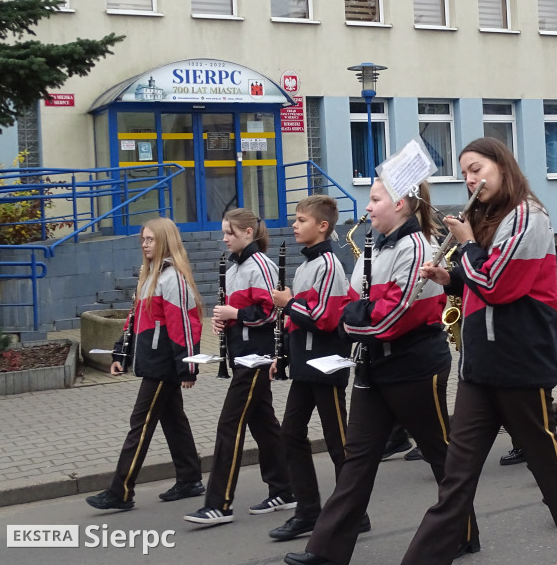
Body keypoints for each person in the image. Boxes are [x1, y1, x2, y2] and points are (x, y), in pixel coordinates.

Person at [399, 137, 557, 565]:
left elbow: (499, 286)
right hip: (480, 367)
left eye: (477, 169)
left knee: (552, 472)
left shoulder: (528, 217)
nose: (470, 180)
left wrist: (465, 245)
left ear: (501, 166)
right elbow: (482, 281)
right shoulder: (492, 218)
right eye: (464, 173)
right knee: (455, 481)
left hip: (518, 364)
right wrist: (450, 279)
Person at [285, 182, 479, 565]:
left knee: (441, 455)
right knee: (356, 460)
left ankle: (464, 532)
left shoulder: (418, 247)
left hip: (415, 366)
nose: (368, 208)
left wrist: (351, 320)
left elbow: (388, 318)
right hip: (373, 364)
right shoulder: (375, 246)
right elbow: (357, 308)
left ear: (402, 204)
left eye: (375, 200)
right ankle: (325, 551)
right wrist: (354, 318)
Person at [86, 218, 204, 511]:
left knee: (140, 425)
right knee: (173, 420)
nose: (145, 244)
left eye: (150, 239)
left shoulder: (172, 278)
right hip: (155, 361)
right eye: (143, 239)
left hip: (163, 365)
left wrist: (188, 367)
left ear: (164, 241)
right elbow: (134, 321)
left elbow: (185, 326)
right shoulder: (151, 275)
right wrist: (120, 355)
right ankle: (190, 479)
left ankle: (121, 490)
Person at [184, 209, 291, 526]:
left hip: (256, 358)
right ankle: (286, 489)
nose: (225, 238)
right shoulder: (233, 269)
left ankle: (219, 503)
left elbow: (270, 313)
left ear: (248, 233)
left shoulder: (261, 266)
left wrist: (235, 315)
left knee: (229, 426)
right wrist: (224, 322)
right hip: (242, 353)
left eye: (230, 232)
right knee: (264, 425)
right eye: (224, 232)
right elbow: (240, 312)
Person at [266, 195, 355, 542]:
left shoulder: (329, 265)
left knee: (339, 443)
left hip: (326, 364)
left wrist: (288, 304)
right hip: (305, 364)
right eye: (295, 219)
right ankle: (307, 511)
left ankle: (353, 512)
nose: (294, 224)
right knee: (291, 434)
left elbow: (325, 320)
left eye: (301, 220)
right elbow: (297, 324)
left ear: (322, 226)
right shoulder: (305, 266)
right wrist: (282, 356)